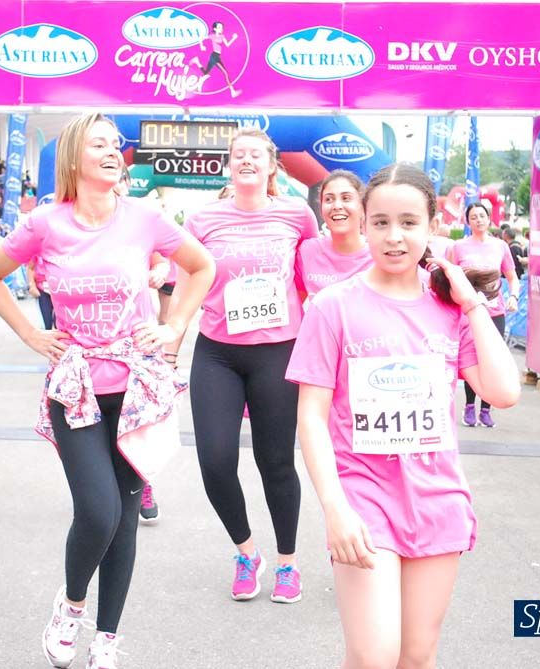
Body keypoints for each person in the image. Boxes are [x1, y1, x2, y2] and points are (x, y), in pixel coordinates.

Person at [0, 113, 213, 669]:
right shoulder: (45, 223)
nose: (112, 150)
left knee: (126, 517)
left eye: (115, 143)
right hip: (76, 385)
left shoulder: (145, 217)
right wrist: (32, 333)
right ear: (75, 157)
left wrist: (174, 324)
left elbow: (202, 268)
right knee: (99, 510)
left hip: (137, 388)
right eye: (98, 143)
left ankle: (107, 638)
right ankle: (72, 607)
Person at [288, 163, 520, 669]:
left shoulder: (450, 308)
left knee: (415, 657)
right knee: (373, 657)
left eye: (409, 222)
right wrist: (335, 509)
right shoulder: (333, 307)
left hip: (438, 500)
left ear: (433, 225)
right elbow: (311, 417)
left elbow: (502, 392)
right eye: (382, 222)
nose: (395, 237)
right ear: (364, 224)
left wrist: (473, 304)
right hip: (365, 498)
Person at [184, 128, 318, 604]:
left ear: (271, 166)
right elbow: (187, 280)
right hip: (218, 351)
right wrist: (168, 338)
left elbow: (313, 274)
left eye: (255, 155)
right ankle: (246, 552)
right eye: (238, 154)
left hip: (277, 351)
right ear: (228, 165)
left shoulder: (297, 214)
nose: (246, 160)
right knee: (215, 462)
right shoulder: (202, 220)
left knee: (275, 462)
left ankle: (288, 563)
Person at [448, 202, 519, 428]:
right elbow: (448, 276)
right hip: (468, 311)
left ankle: (486, 409)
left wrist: (513, 297)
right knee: (473, 358)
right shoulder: (458, 247)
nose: (478, 219)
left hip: (494, 311)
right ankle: (469, 406)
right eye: (474, 217)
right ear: (468, 221)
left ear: (489, 219)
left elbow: (512, 276)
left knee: (492, 360)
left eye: (482, 216)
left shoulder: (500, 246)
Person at [295, 169, 371, 303]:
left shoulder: (378, 255)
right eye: (329, 199)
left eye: (346, 198)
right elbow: (297, 304)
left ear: (362, 206)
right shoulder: (307, 252)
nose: (337, 206)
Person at [190, 21, 241, 97]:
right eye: (219, 27)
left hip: (217, 56)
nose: (221, 29)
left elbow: (227, 45)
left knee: (206, 73)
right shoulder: (212, 36)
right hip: (214, 56)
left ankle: (197, 62)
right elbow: (201, 38)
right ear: (215, 29)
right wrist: (201, 46)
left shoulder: (222, 36)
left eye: (222, 27)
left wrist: (233, 38)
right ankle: (232, 92)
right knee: (225, 73)